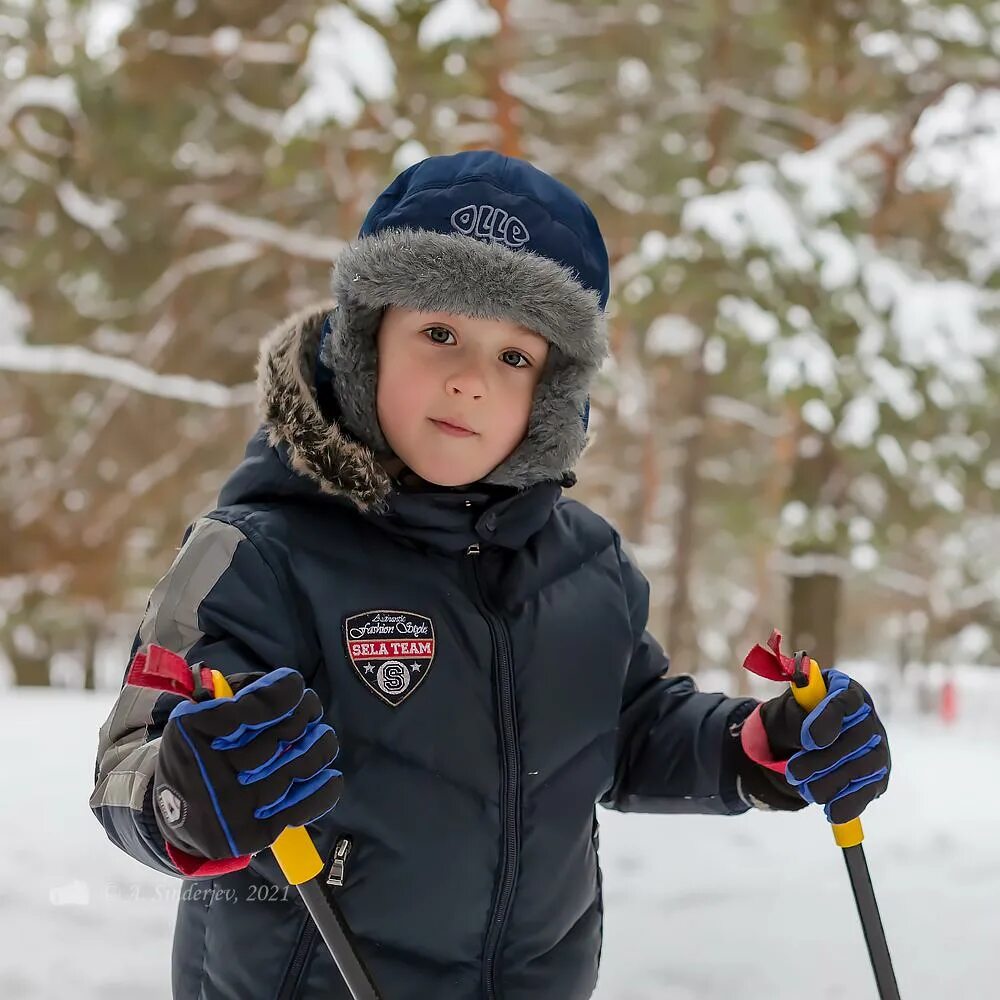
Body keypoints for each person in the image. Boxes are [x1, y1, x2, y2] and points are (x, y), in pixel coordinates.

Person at [90, 150, 891, 1000]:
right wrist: (186, 795)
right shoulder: (258, 554)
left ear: (553, 394)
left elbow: (623, 731)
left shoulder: (589, 567)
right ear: (365, 344)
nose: (470, 380)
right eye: (440, 334)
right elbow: (127, 765)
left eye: (515, 357)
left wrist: (757, 746)